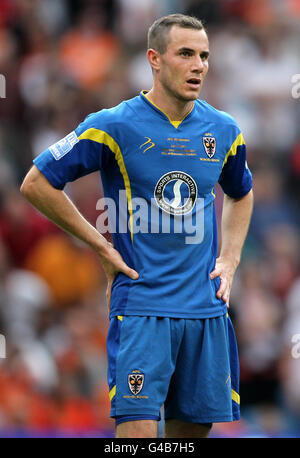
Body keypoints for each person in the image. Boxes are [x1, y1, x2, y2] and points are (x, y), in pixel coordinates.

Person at [20, 14, 254, 438]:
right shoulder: (114, 124)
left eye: (204, 56)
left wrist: (231, 258)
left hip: (205, 310)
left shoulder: (223, 130)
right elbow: (37, 183)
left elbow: (241, 191)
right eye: (186, 54)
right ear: (155, 60)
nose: (198, 65)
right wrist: (102, 247)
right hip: (142, 309)